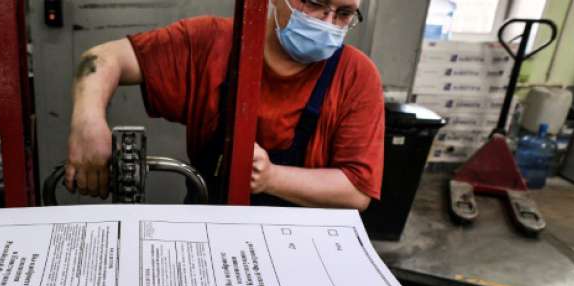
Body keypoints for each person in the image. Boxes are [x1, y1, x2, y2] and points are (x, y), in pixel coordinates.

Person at [65, 0, 384, 210]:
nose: (327, 22)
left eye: (343, 14)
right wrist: (88, 123)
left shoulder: (356, 76)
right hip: (206, 227)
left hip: (300, 246)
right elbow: (102, 59)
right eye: (314, 3)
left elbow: (357, 191)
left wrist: (272, 178)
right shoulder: (211, 43)